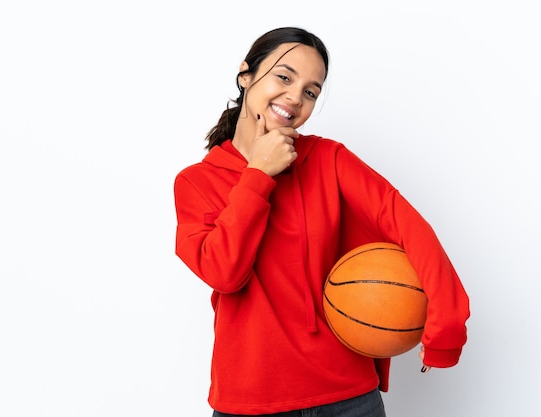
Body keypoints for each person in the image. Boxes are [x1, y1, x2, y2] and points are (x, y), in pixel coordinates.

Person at [174, 26, 470, 417]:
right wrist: (260, 174)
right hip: (250, 400)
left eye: (311, 91)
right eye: (284, 76)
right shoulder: (196, 182)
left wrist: (445, 328)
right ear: (246, 74)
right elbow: (225, 273)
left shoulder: (329, 160)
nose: (295, 98)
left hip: (350, 397)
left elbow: (409, 228)